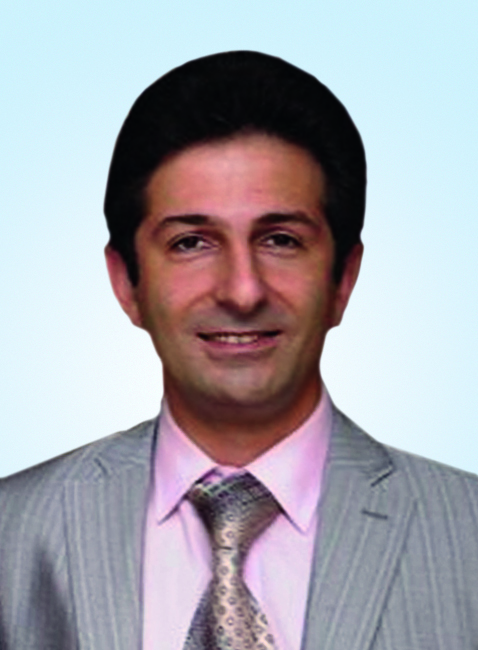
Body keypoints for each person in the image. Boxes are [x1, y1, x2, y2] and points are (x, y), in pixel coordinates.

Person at [1, 51, 477, 650]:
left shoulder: (467, 530)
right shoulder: (12, 532)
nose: (242, 291)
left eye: (280, 240)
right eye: (191, 242)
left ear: (343, 279)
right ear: (127, 283)